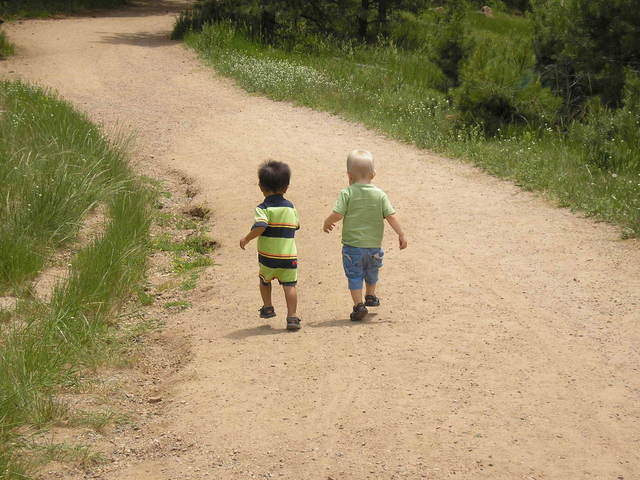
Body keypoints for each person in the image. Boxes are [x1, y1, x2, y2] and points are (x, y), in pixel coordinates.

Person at [323, 150, 407, 321]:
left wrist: (327, 221)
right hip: (374, 246)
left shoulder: (347, 193)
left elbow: (338, 214)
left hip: (353, 246)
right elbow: (391, 216)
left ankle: (359, 305)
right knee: (372, 271)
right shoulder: (380, 194)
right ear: (373, 174)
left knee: (354, 275)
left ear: (349, 175)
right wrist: (401, 233)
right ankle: (370, 295)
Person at [240, 160, 301, 331]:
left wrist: (247, 238)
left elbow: (261, 225)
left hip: (267, 258)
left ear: (261, 186)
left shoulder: (263, 208)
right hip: (288, 257)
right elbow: (296, 225)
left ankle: (267, 307)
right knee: (289, 286)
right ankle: (292, 317)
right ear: (286, 187)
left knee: (264, 281)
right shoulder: (291, 208)